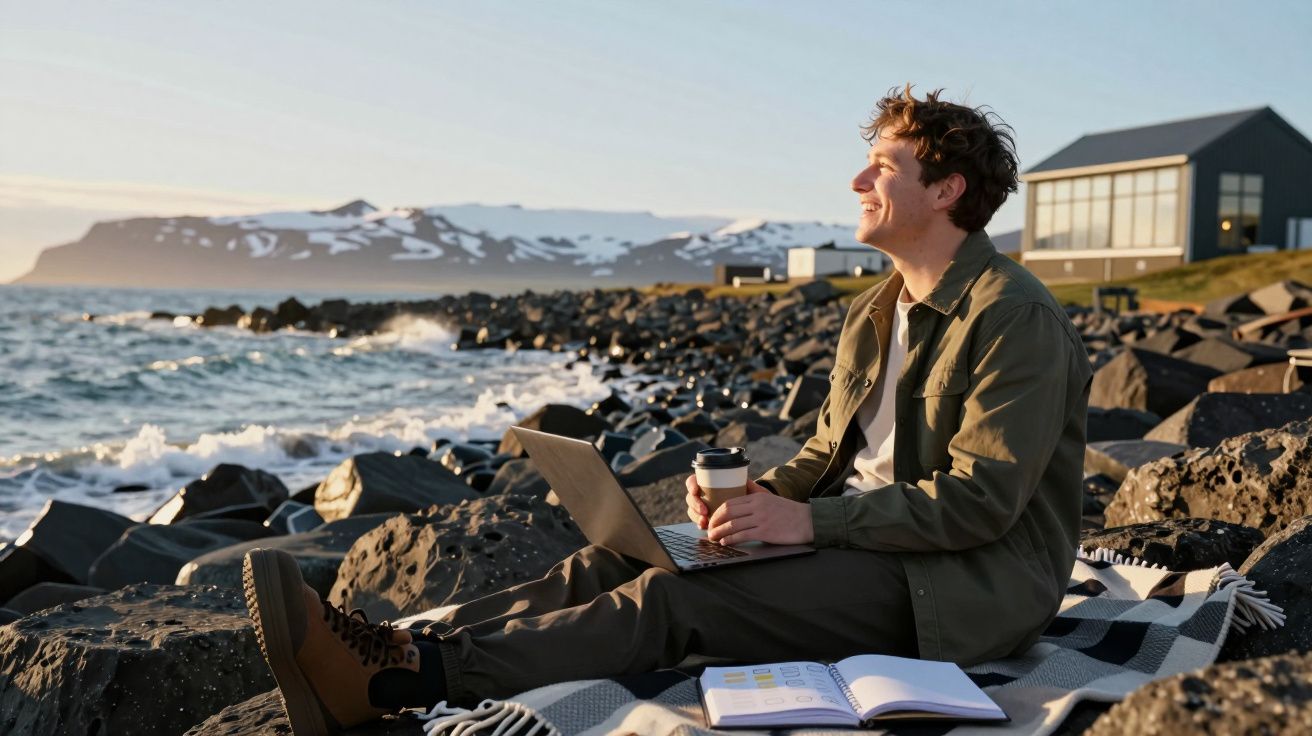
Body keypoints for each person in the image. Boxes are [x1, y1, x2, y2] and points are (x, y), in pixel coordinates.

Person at [241, 85, 1092, 735]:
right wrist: (755, 501)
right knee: (610, 562)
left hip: (961, 585)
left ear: (946, 190)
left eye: (885, 167)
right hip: (872, 541)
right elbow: (833, 453)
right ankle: (382, 647)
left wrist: (810, 527)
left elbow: (983, 501)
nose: (858, 179)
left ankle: (409, 682)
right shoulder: (877, 310)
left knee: (669, 603)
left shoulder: (1012, 316)